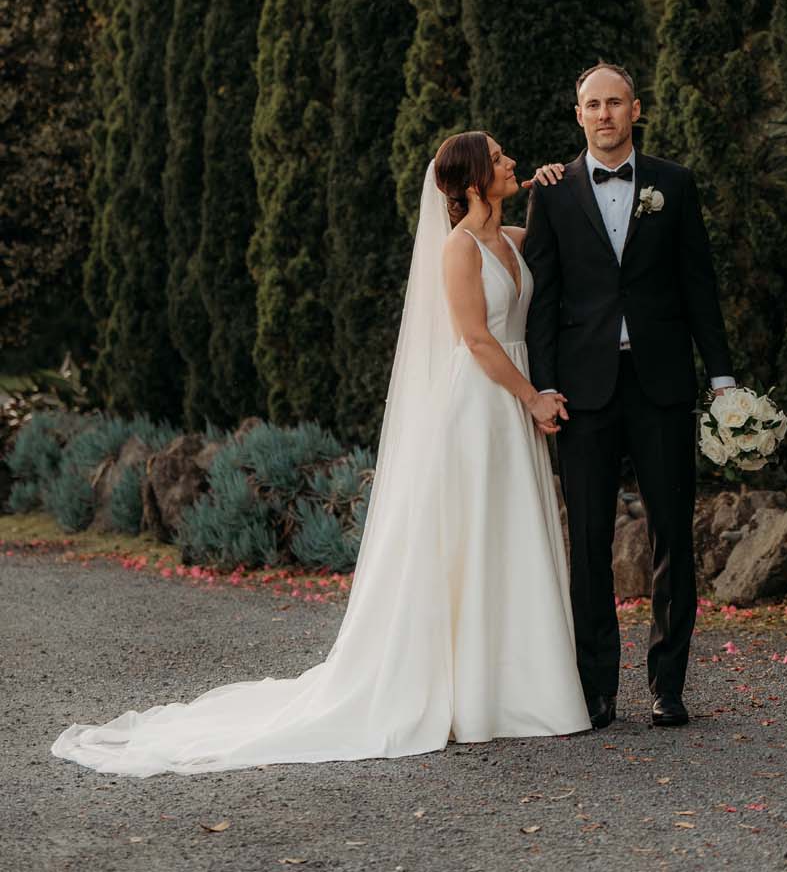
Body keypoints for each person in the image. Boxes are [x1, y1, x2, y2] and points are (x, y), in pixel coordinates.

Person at [50, 135, 590, 776]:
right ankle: (472, 693)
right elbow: (474, 338)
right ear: (472, 182)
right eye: (498, 159)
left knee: (509, 537)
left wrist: (561, 180)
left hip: (510, 398)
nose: (510, 163)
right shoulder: (458, 249)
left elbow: (560, 242)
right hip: (481, 403)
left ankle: (518, 686)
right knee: (471, 537)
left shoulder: (511, 239)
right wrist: (531, 397)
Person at [522, 63, 736, 731]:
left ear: (636, 109)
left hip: (662, 384)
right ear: (578, 113)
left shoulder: (674, 184)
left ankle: (667, 687)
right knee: (588, 543)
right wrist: (544, 383)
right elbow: (543, 299)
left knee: (673, 534)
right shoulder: (552, 194)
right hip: (582, 394)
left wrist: (723, 379)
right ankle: (596, 691)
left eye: (616, 102)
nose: (605, 113)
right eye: (594, 104)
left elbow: (698, 284)